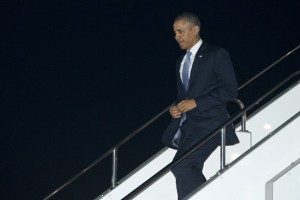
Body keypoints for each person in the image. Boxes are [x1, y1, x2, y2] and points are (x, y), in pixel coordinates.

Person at [162, 12, 239, 199]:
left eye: (180, 31)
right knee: (182, 172)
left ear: (195, 29)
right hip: (189, 127)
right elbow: (183, 95)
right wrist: (176, 108)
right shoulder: (181, 62)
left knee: (182, 167)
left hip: (210, 123)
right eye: (174, 32)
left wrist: (196, 102)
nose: (176, 37)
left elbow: (230, 90)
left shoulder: (216, 54)